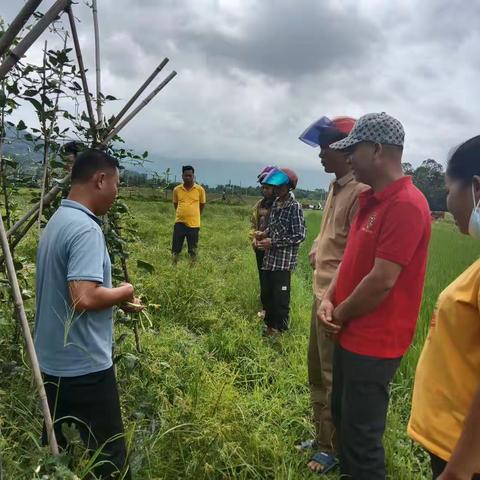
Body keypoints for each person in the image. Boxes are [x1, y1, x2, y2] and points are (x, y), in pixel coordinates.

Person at [319, 112, 431, 479]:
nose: (347, 157)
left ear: (378, 150)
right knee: (343, 421)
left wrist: (340, 313)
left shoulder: (407, 205)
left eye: (354, 149)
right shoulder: (369, 199)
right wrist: (328, 299)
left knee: (362, 440)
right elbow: (349, 258)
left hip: (375, 344)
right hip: (350, 334)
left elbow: (381, 280)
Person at [34, 149, 143, 479]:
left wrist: (111, 298)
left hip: (52, 363)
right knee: (108, 460)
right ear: (101, 180)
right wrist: (124, 290)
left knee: (59, 458)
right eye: (117, 184)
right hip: (85, 368)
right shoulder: (86, 229)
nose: (116, 192)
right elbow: (83, 296)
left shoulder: (58, 221)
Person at [297, 116, 369, 474]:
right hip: (319, 292)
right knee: (315, 370)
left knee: (330, 375)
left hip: (336, 302)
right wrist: (316, 245)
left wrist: (334, 300)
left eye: (326, 148)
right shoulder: (335, 187)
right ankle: (321, 435)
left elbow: (356, 251)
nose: (321, 155)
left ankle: (330, 446)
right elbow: (329, 234)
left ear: (344, 149)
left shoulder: (359, 192)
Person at [408, 135, 480, 480]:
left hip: (464, 460)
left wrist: (459, 470)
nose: (449, 203)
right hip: (453, 447)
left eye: (450, 191)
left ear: (476, 188)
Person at [255, 167, 306, 337]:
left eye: (279, 187)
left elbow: (300, 234)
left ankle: (280, 330)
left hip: (283, 261)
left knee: (280, 297)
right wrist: (265, 233)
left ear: (289, 187)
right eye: (274, 187)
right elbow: (274, 226)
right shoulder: (276, 204)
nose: (276, 190)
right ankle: (269, 327)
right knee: (267, 294)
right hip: (270, 258)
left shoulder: (294, 207)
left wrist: (274, 242)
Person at [249, 166, 276, 319]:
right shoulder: (259, 205)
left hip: (275, 249)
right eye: (263, 187)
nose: (265, 191)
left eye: (268, 187)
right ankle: (265, 308)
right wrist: (254, 238)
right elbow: (253, 225)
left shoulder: (280, 204)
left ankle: (275, 311)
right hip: (260, 248)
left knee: (274, 280)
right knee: (263, 278)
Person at [172, 165, 206, 263]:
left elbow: (202, 205)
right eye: (186, 175)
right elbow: (176, 204)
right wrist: (182, 213)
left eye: (190, 176)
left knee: (193, 250)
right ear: (182, 176)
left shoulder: (200, 190)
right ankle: (173, 266)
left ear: (193, 176)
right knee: (175, 249)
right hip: (179, 223)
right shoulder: (176, 190)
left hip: (194, 224)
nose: (188, 178)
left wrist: (194, 215)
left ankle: (192, 269)